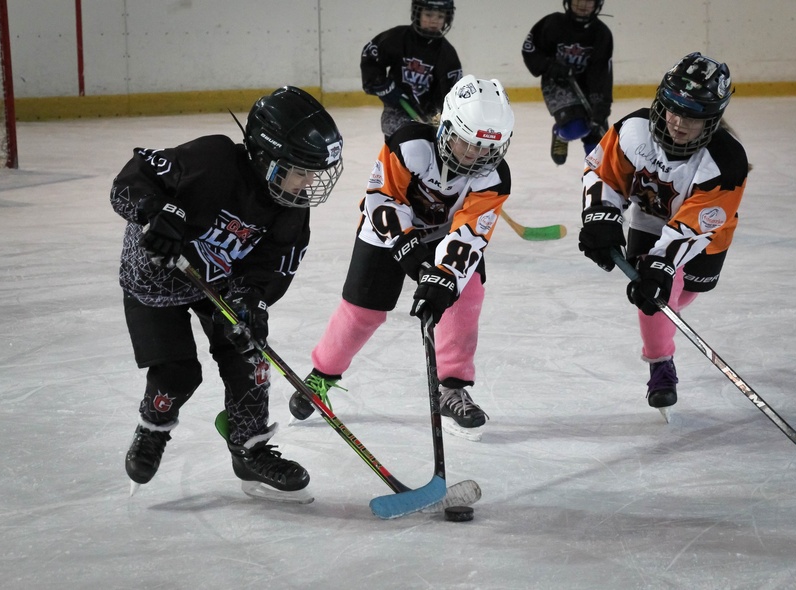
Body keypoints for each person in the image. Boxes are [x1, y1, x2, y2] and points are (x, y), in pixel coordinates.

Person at [111, 86, 344, 496]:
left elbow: (272, 267)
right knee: (178, 373)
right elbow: (134, 177)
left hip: (217, 281)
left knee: (251, 356)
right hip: (157, 272)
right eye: (300, 170)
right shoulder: (212, 159)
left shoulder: (291, 208)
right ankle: (154, 427)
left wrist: (253, 302)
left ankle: (249, 449)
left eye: (312, 173)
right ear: (266, 155)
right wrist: (157, 212)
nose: (308, 183)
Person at [287, 75, 514, 442]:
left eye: (485, 148)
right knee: (363, 311)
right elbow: (382, 200)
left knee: (465, 293)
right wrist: (409, 252)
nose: (473, 156)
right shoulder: (409, 144)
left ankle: (452, 388)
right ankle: (322, 375)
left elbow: (470, 234)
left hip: (443, 235)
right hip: (387, 229)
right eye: (465, 142)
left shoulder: (494, 178)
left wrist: (442, 277)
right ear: (447, 127)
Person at [577, 52, 749, 415]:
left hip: (707, 237)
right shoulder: (633, 131)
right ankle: (661, 365)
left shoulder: (726, 162)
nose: (676, 121)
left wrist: (663, 265)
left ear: (712, 119)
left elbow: (696, 225)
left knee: (677, 293)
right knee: (655, 298)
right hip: (650, 223)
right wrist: (601, 216)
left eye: (691, 115)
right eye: (671, 107)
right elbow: (604, 175)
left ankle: (662, 317)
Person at [522, 0, 613, 166]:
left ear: (597, 5)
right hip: (557, 82)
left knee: (596, 134)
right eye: (578, 0)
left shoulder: (601, 33)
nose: (583, 5)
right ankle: (560, 134)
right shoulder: (553, 24)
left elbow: (602, 73)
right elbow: (530, 50)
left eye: (589, 1)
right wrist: (550, 66)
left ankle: (594, 176)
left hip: (588, 85)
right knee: (576, 128)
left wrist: (601, 106)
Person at [361, 0, 463, 139]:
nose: (434, 21)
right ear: (417, 13)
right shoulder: (397, 38)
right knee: (400, 138)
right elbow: (371, 56)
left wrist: (438, 115)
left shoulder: (447, 55)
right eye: (428, 15)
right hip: (397, 108)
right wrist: (382, 85)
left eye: (440, 17)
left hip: (426, 114)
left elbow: (450, 91)